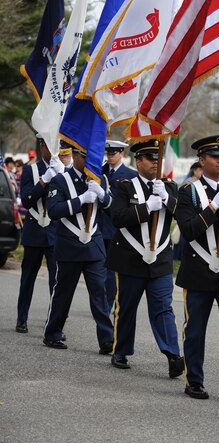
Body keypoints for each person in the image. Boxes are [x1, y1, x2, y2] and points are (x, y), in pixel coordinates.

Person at [175, 135, 219, 402]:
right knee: (195, 329)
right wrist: (214, 205)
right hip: (198, 268)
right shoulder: (188, 191)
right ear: (201, 160)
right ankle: (194, 379)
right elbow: (189, 230)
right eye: (215, 156)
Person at [106, 139, 184, 377]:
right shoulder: (124, 186)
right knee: (126, 307)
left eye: (158, 158)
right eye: (150, 159)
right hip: (130, 257)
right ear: (138, 161)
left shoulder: (169, 186)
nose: (155, 163)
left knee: (163, 307)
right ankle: (121, 350)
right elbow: (118, 218)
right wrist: (146, 207)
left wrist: (168, 200)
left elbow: (184, 215)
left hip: (159, 259)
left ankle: (172, 354)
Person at [43, 146, 114, 353]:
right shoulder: (60, 180)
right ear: (74, 156)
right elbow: (54, 211)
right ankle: (53, 332)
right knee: (63, 293)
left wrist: (103, 196)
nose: (92, 160)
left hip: (93, 244)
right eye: (86, 156)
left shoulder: (101, 179)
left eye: (94, 156)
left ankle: (107, 339)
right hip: (69, 244)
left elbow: (112, 209)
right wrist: (81, 200)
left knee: (99, 294)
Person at [15, 136, 63, 333]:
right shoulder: (30, 170)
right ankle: (21, 318)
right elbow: (26, 201)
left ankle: (53, 324)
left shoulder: (62, 170)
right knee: (28, 278)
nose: (53, 150)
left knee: (56, 282)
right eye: (49, 145)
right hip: (35, 229)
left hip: (54, 231)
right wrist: (44, 181)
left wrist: (59, 176)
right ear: (42, 146)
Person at [101, 140, 137, 314]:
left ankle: (110, 305)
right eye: (108, 153)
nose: (110, 156)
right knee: (100, 272)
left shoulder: (130, 174)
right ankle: (102, 305)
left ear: (122, 153)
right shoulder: (100, 172)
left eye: (113, 153)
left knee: (112, 273)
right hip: (99, 227)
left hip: (117, 228)